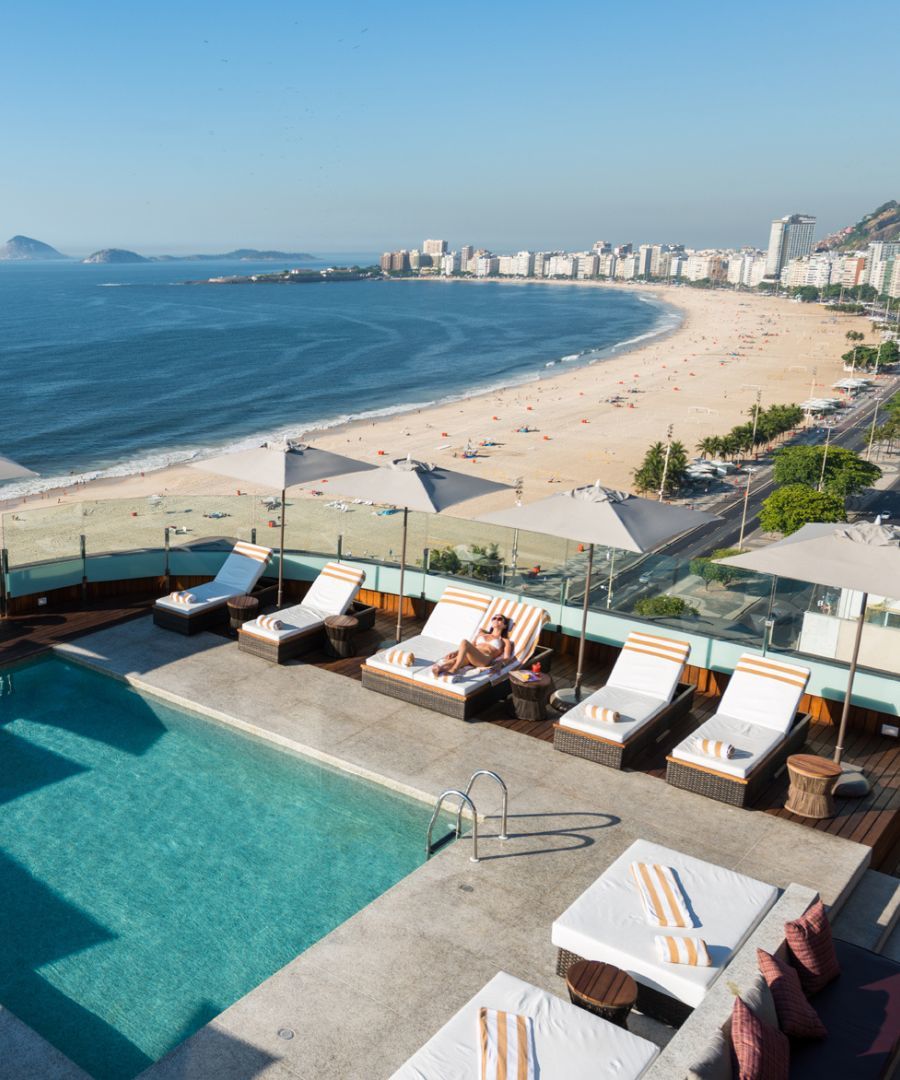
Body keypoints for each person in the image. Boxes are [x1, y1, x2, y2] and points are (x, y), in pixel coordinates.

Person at [431, 613, 513, 679]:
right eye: (494, 618)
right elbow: (471, 646)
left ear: (504, 626)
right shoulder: (482, 634)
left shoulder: (505, 641)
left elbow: (507, 657)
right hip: (472, 656)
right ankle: (440, 669)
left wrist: (500, 664)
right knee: (455, 659)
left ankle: (455, 669)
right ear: (491, 623)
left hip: (484, 659)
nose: (496, 620)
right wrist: (456, 652)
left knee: (464, 642)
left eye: (500, 619)